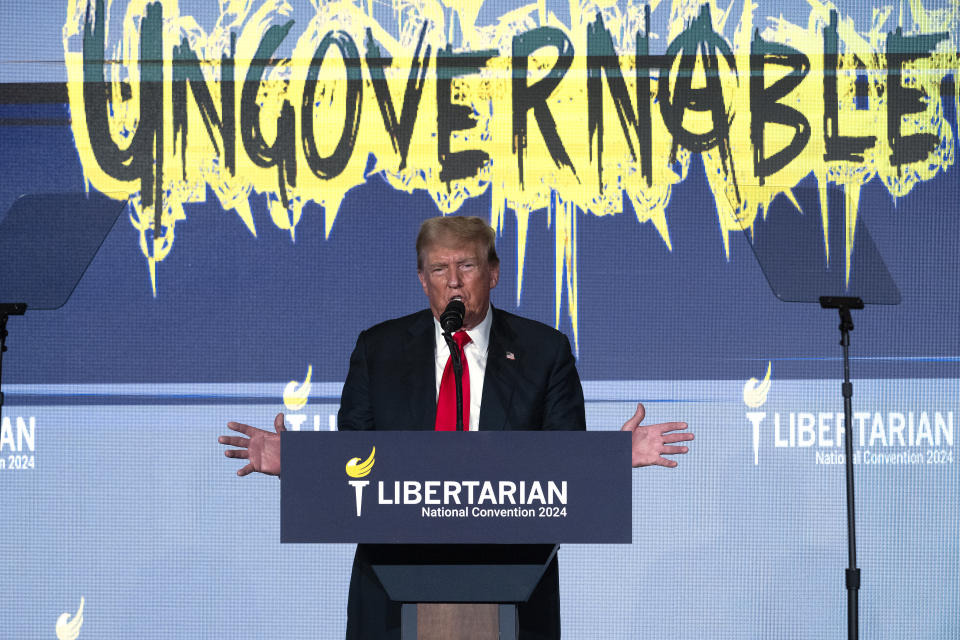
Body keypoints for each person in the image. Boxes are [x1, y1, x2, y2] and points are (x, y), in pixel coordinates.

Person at [220, 216, 694, 639]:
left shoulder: (543, 351)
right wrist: (302, 467)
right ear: (422, 280)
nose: (453, 283)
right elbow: (355, 459)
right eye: (439, 270)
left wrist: (610, 459)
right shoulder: (378, 349)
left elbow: (561, 468)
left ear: (493, 274)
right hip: (393, 584)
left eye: (466, 267)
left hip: (513, 586)